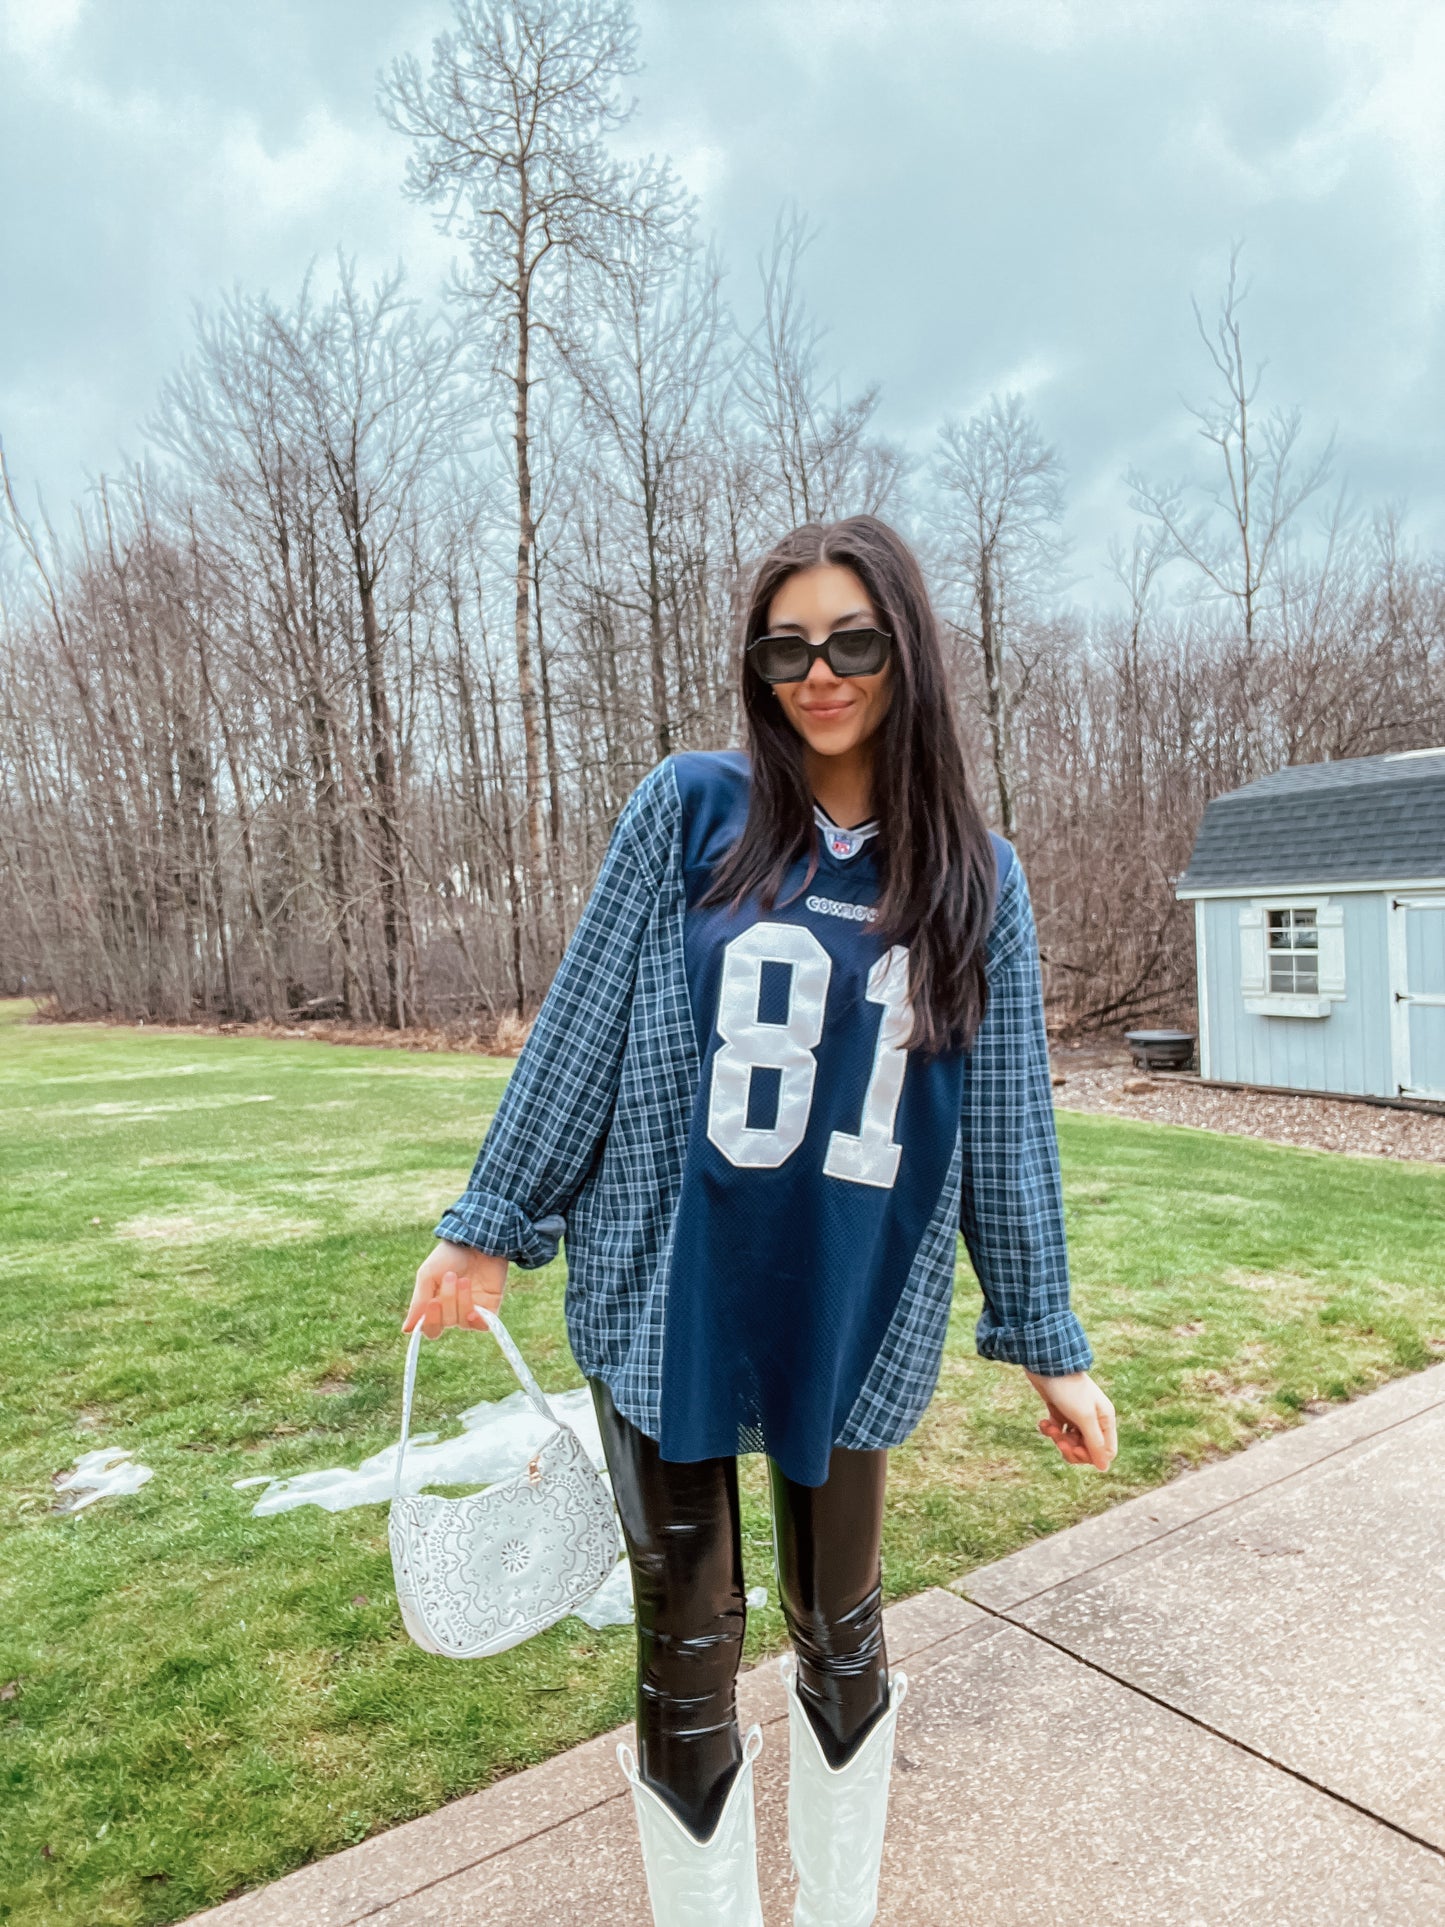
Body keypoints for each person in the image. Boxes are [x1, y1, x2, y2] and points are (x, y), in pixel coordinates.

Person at [403, 515, 1117, 1927]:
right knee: (683, 1634)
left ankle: (835, 1910)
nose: (820, 672)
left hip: (852, 1295)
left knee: (839, 1626)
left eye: (852, 640)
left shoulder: (981, 875)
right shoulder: (689, 808)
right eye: (786, 645)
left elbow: (1006, 1120)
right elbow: (584, 1028)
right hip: (672, 1283)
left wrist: (1044, 1336)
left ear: (903, 650)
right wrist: (490, 1217)